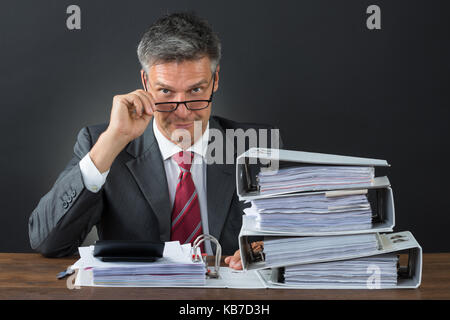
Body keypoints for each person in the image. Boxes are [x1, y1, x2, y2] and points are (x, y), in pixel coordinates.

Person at [28, 12, 279, 270]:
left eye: (195, 90)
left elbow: (289, 237)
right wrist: (112, 142)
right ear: (145, 82)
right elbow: (48, 242)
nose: (182, 111)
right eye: (166, 92)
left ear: (215, 81)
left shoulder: (256, 148)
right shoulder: (104, 144)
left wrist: (262, 249)